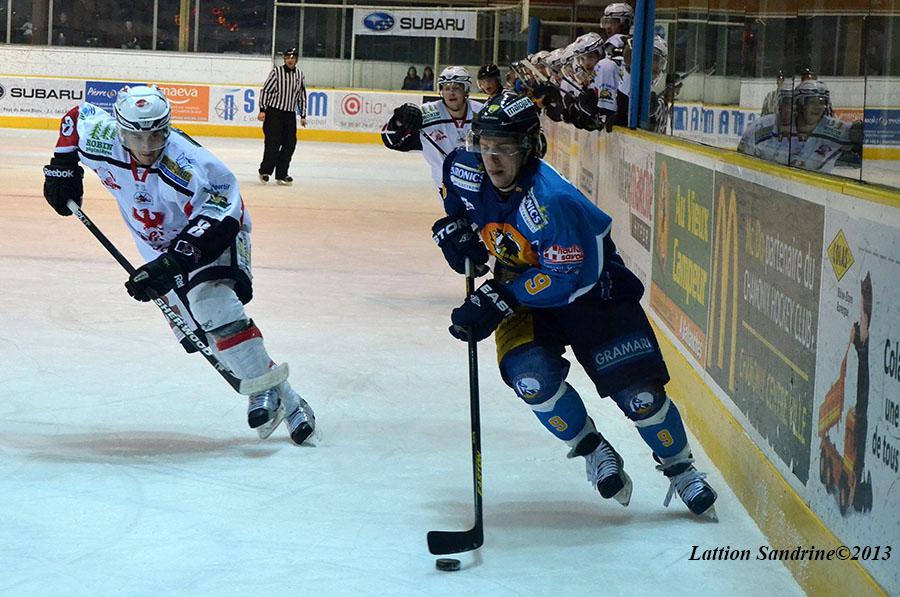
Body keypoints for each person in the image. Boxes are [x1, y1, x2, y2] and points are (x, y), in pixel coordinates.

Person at [431, 92, 718, 518]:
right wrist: (454, 228)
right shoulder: (465, 168)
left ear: (529, 148)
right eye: (485, 145)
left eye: (504, 147)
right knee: (532, 380)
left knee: (639, 394)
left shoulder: (553, 201)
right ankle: (593, 448)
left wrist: (501, 297)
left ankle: (681, 469)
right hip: (524, 289)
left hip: (593, 291)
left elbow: (566, 277)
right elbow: (455, 195)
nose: (492, 158)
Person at [41, 85, 316, 446]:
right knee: (202, 334)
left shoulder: (191, 164)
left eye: (156, 136)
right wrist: (62, 167)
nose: (146, 147)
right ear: (121, 132)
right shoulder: (104, 139)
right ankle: (278, 394)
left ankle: (276, 396)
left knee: (213, 307)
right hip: (158, 251)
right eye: (136, 138)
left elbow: (222, 212)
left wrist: (173, 263)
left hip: (212, 236)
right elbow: (77, 117)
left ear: (167, 129)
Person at [381, 66, 484, 191]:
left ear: (466, 90)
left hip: (481, 185)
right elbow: (390, 141)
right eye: (446, 88)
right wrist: (398, 121)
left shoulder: (482, 112)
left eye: (456, 88)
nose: (451, 92)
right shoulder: (426, 114)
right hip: (446, 187)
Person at [738, 79, 862, 173]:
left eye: (821, 102)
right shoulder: (764, 127)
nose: (817, 107)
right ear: (799, 104)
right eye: (812, 101)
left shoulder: (835, 129)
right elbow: (741, 161)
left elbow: (857, 134)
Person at [257, 47, 307, 185]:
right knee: (273, 143)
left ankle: (282, 174)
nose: (290, 60)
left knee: (290, 144)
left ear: (296, 60)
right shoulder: (276, 72)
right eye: (288, 58)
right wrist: (262, 109)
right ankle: (265, 171)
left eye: (293, 58)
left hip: (289, 114)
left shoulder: (300, 75)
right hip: (274, 113)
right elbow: (266, 91)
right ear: (284, 59)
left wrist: (303, 115)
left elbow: (301, 96)